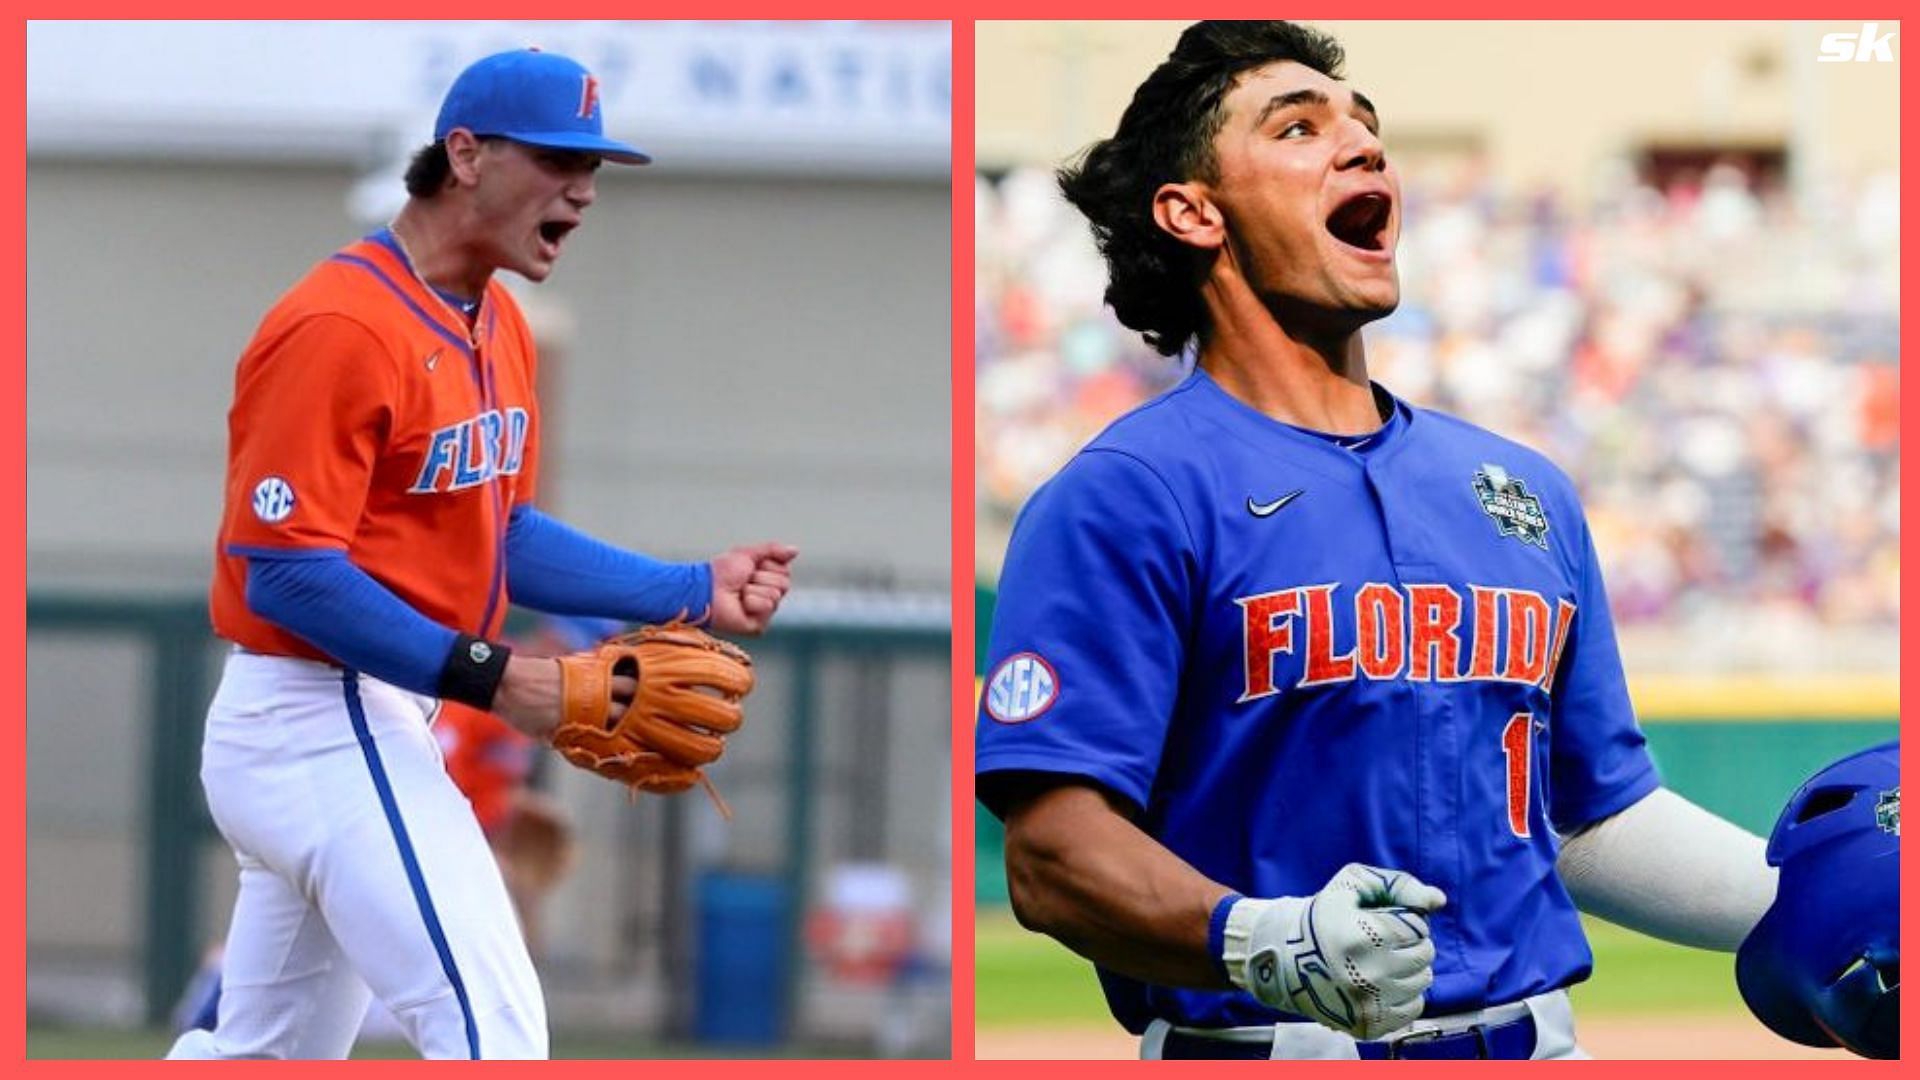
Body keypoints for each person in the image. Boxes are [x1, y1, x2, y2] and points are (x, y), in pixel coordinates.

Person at [975, 21, 1776, 1060]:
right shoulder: (1127, 496)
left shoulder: (1518, 488)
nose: (1362, 147)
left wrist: (1814, 900)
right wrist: (1264, 937)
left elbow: (1587, 817)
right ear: (1191, 211)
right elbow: (1050, 859)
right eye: (1299, 128)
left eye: (1367, 126)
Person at [167, 48, 797, 1060]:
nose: (583, 192)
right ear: (464, 153)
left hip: (370, 716)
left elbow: (496, 531)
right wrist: (497, 678)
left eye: (593, 169)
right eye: (557, 160)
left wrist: (688, 588)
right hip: (314, 715)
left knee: (264, 1058)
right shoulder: (338, 325)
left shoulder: (494, 320)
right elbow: (283, 568)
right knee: (494, 1030)